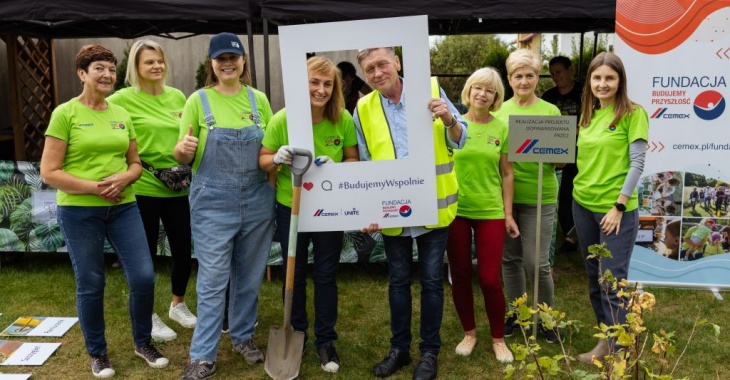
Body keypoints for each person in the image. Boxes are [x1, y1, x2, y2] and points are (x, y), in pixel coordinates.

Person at [40, 44, 168, 379]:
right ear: (82, 74)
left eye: (111, 69)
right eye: (99, 68)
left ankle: (143, 343)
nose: (107, 75)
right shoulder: (65, 114)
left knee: (143, 276)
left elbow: (135, 164)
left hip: (124, 208)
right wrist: (97, 187)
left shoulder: (121, 114)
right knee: (92, 282)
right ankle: (98, 354)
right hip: (80, 211)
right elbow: (49, 172)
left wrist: (125, 177)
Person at [353, 47, 466, 380]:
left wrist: (448, 118)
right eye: (369, 68)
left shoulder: (430, 88)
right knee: (398, 283)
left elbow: (460, 139)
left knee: (431, 282)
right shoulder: (363, 106)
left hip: (434, 207)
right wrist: (370, 208)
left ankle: (429, 352)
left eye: (382, 64)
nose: (377, 73)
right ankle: (399, 350)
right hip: (391, 212)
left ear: (397, 63)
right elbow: (364, 163)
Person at [174, 33, 275, 380]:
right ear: (211, 64)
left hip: (258, 198)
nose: (227, 64)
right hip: (212, 201)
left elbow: (268, 148)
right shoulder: (198, 100)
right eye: (220, 59)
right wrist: (183, 151)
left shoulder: (259, 99)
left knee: (248, 276)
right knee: (214, 279)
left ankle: (243, 336)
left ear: (243, 61)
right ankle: (203, 355)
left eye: (233, 58)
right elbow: (180, 153)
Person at [259, 56, 359, 373]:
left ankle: (326, 340)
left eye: (327, 84)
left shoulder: (342, 119)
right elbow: (262, 160)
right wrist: (275, 158)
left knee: (327, 275)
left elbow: (354, 160)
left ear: (335, 88)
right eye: (314, 82)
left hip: (328, 209)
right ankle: (297, 331)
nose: (320, 89)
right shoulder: (283, 119)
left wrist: (337, 167)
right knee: (295, 273)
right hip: (293, 206)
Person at [107, 39, 197, 343]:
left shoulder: (178, 96)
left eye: (159, 60)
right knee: (142, 258)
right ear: (136, 67)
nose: (156, 66)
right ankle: (147, 314)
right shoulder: (121, 99)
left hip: (177, 187)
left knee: (183, 250)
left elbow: (187, 136)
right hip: (142, 186)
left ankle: (177, 304)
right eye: (149, 62)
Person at [571, 52, 649, 363]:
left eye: (609, 78)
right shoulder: (587, 115)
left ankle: (620, 354)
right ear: (589, 81)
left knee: (613, 283)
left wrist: (619, 205)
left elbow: (637, 163)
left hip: (614, 210)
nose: (603, 84)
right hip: (583, 205)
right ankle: (606, 342)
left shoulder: (633, 113)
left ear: (620, 81)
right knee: (594, 278)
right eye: (597, 78)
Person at [446, 67, 518, 363]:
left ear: (496, 97)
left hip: (490, 211)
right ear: (468, 91)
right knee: (460, 274)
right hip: (455, 211)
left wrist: (509, 214)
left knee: (489, 279)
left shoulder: (502, 128)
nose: (482, 94)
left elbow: (507, 172)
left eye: (489, 90)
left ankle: (498, 339)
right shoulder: (451, 124)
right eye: (478, 87)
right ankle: (470, 333)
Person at [493, 49, 562, 344]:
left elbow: (560, 161)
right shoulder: (498, 112)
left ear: (537, 78)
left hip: (540, 195)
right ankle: (517, 312)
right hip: (503, 198)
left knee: (537, 262)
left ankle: (546, 317)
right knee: (510, 259)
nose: (524, 81)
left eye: (530, 75)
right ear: (509, 79)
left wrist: (547, 151)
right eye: (518, 75)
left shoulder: (550, 112)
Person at [542, 56, 583, 253]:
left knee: (582, 197)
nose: (555, 77)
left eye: (558, 72)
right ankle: (570, 238)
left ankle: (586, 236)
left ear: (570, 69)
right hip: (560, 157)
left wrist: (568, 130)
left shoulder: (585, 92)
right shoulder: (548, 97)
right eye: (552, 74)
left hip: (585, 154)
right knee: (564, 197)